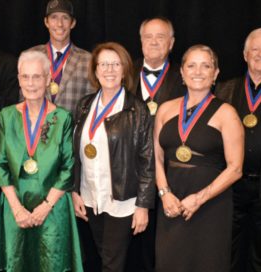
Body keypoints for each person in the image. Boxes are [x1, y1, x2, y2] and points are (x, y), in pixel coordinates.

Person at [154, 45, 244, 272]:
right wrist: (165, 194)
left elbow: (235, 169)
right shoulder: (165, 110)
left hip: (211, 205)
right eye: (191, 65)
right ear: (182, 73)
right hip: (172, 203)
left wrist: (199, 199)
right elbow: (156, 157)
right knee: (169, 263)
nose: (198, 71)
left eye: (206, 66)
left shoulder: (227, 113)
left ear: (215, 74)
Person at [0, 50, 83, 272]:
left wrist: (46, 207)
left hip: (52, 207)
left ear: (48, 79)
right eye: (25, 77)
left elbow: (67, 167)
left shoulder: (62, 118)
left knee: (53, 263)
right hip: (15, 206)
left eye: (37, 76)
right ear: (18, 78)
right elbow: (0, 164)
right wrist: (17, 209)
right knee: (17, 263)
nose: (31, 83)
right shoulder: (6, 115)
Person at [72, 42, 155, 272]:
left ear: (124, 69)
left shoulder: (137, 109)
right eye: (104, 64)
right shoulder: (84, 105)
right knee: (101, 257)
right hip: (90, 198)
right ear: (95, 71)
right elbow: (75, 153)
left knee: (112, 262)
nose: (109, 70)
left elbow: (147, 160)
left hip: (122, 201)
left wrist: (143, 206)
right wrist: (74, 191)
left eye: (115, 64)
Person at [128, 17, 185, 272]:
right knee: (130, 247)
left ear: (171, 43)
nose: (153, 41)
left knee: (163, 245)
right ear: (140, 42)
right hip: (129, 174)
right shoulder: (124, 72)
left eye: (160, 37)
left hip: (170, 174)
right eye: (148, 36)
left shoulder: (185, 77)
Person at [215, 28, 261, 272]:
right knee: (227, 250)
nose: (260, 54)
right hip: (230, 186)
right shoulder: (224, 90)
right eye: (254, 49)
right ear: (245, 55)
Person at [30, 0, 94, 118]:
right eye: (54, 17)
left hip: (70, 133)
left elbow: (91, 105)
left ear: (73, 23)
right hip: (34, 133)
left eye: (65, 18)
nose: (59, 24)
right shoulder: (31, 56)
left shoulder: (88, 60)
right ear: (46, 22)